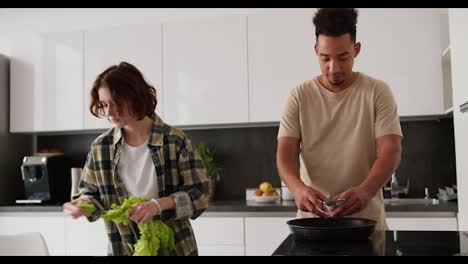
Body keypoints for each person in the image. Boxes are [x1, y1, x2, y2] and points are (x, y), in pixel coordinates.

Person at [63, 62, 210, 256]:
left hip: (176, 249)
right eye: (104, 105)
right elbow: (91, 194)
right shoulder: (101, 147)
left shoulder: (174, 141)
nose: (109, 112)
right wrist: (81, 205)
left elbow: (200, 194)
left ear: (135, 97)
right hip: (122, 248)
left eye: (115, 103)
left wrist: (157, 205)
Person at [276, 8, 403, 231]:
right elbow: (285, 155)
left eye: (343, 57)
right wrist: (298, 190)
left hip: (367, 225)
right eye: (325, 58)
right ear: (316, 51)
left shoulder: (377, 91)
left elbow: (390, 150)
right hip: (312, 226)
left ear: (356, 50)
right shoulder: (298, 96)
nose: (333, 68)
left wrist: (366, 190)